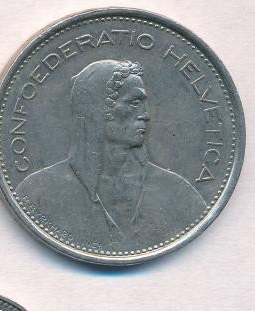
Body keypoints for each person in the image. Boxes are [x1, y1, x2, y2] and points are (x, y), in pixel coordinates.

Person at [16, 59, 207, 248]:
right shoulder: (37, 194)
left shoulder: (179, 194)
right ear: (96, 109)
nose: (146, 115)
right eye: (134, 103)